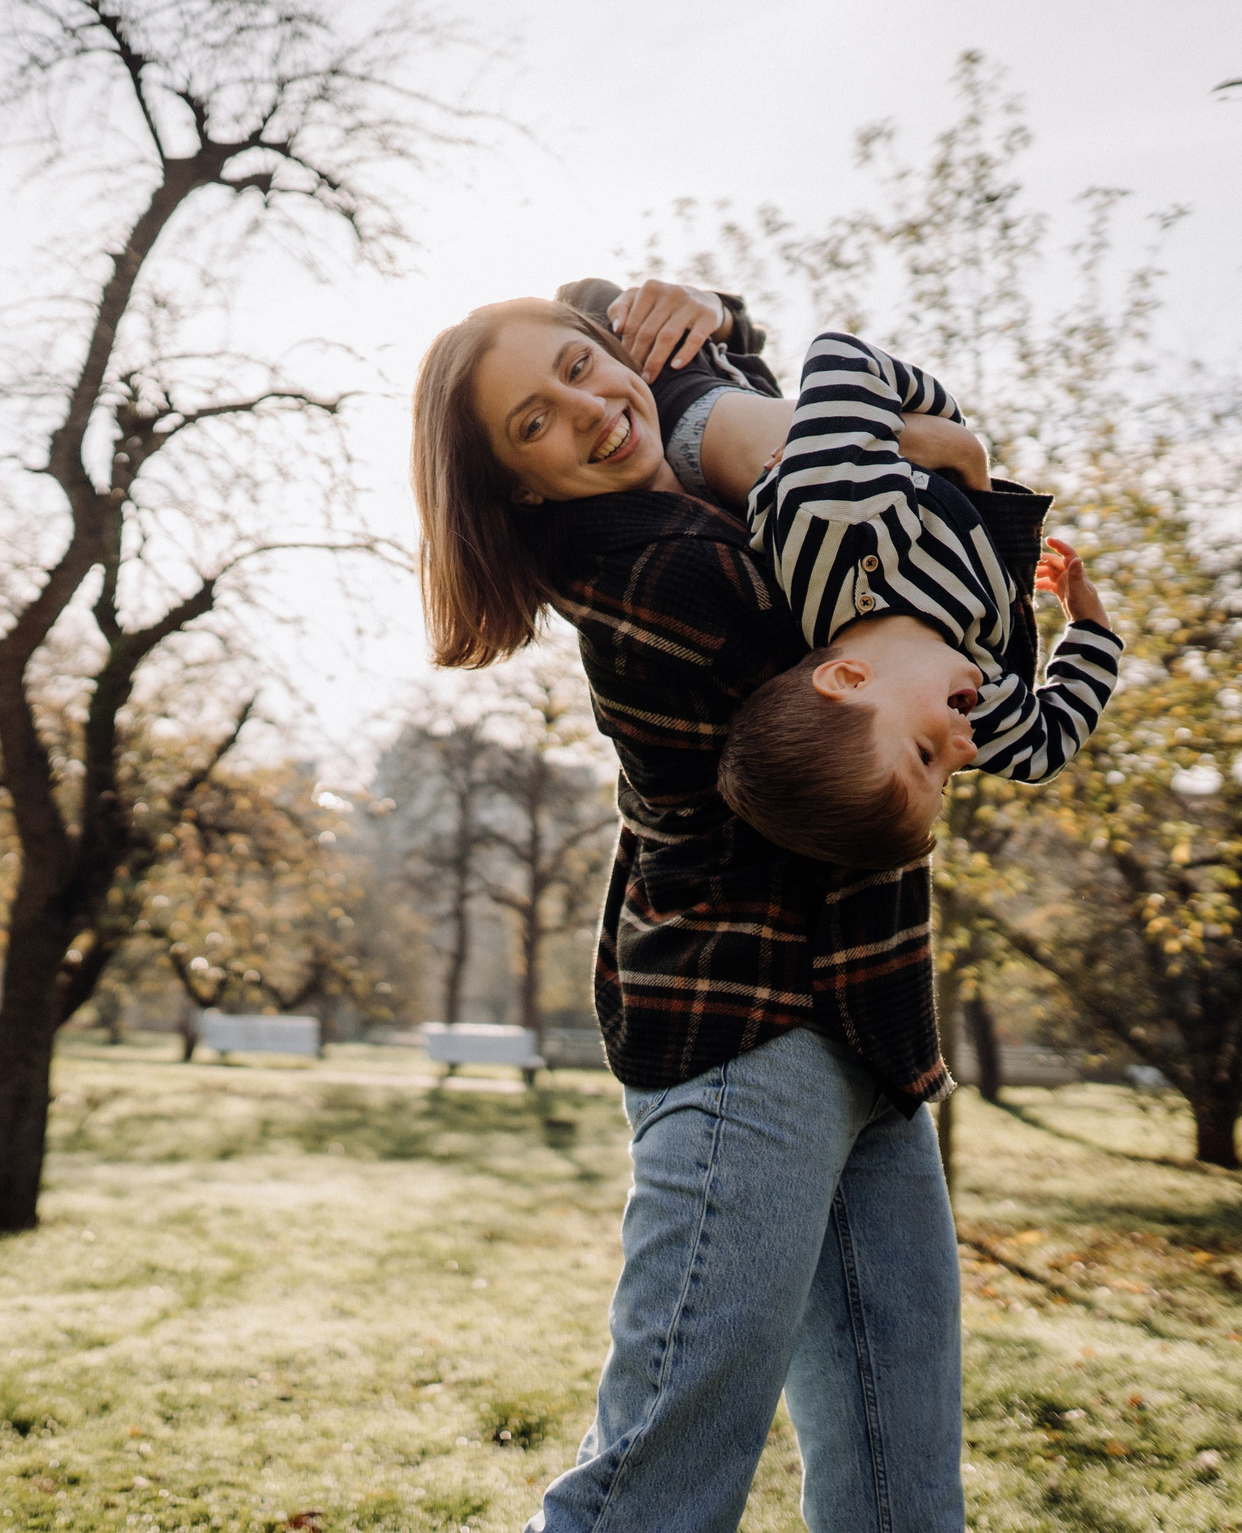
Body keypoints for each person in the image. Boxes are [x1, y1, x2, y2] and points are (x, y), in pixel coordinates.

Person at [410, 283, 962, 1533]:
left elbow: (680, 377)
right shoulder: (676, 577)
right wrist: (719, 368)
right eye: (533, 426)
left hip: (868, 1034)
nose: (590, 413)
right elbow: (885, 524)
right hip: (747, 1056)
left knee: (901, 1491)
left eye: (583, 369)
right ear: (521, 492)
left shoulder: (677, 505)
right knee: (656, 1492)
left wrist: (698, 310)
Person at [678, 330, 1124, 870]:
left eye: (925, 756)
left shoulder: (836, 521)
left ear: (848, 679)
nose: (965, 754)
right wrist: (1090, 628)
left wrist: (925, 428)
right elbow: (1047, 748)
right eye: (943, 784)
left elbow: (841, 357)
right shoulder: (979, 708)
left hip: (697, 409)